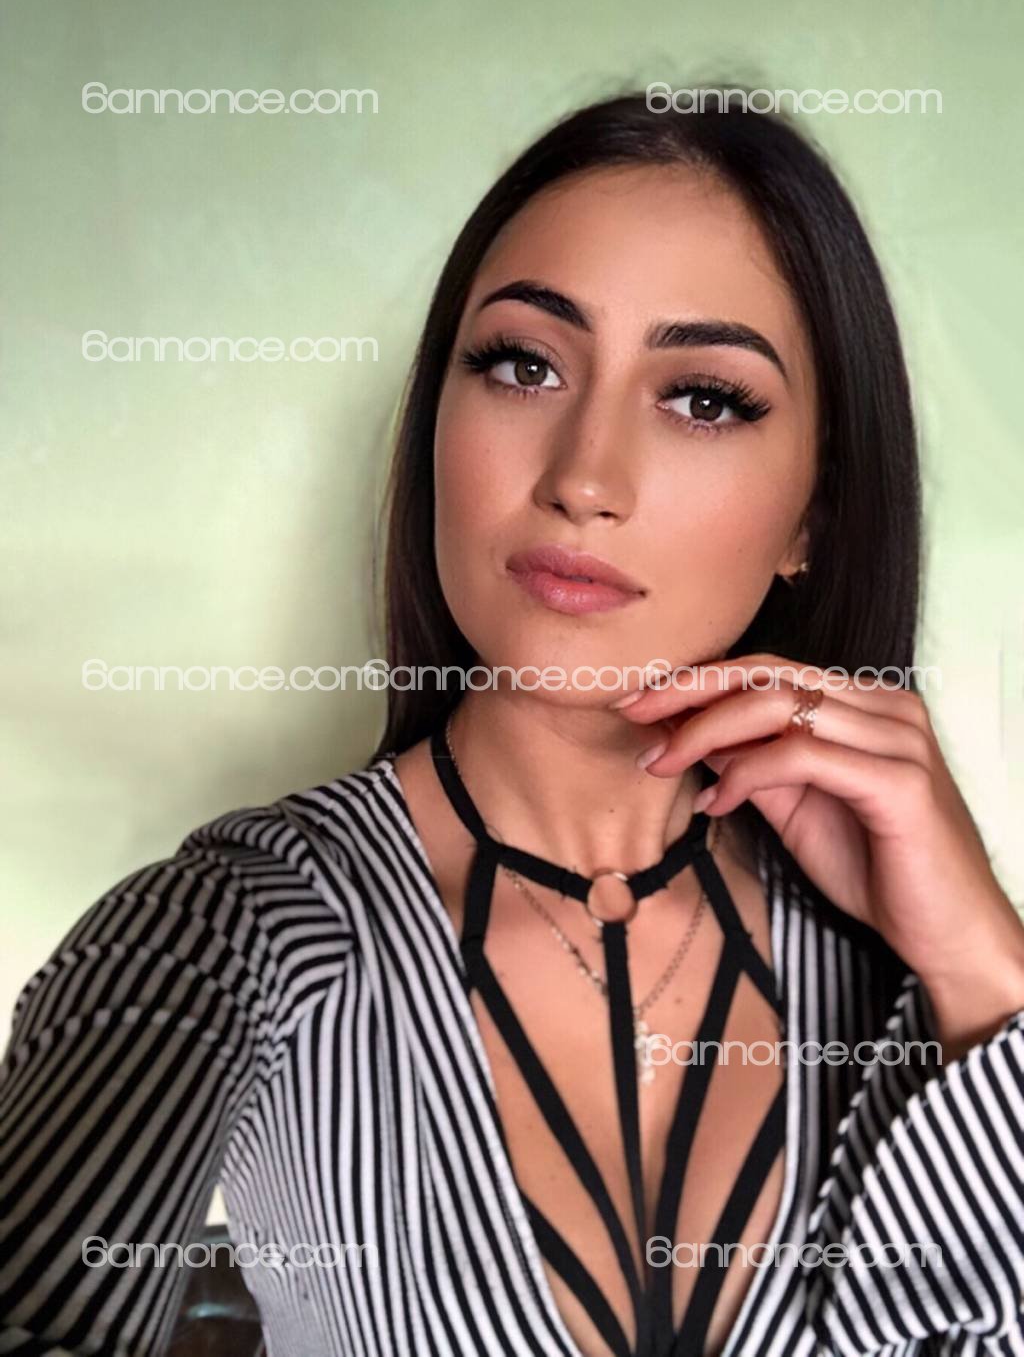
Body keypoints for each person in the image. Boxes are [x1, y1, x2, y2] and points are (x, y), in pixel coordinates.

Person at [2, 88, 1023, 1357]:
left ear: (814, 516)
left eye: (703, 398)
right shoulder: (231, 931)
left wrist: (989, 975)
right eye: (522, 365)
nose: (583, 477)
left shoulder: (910, 974)